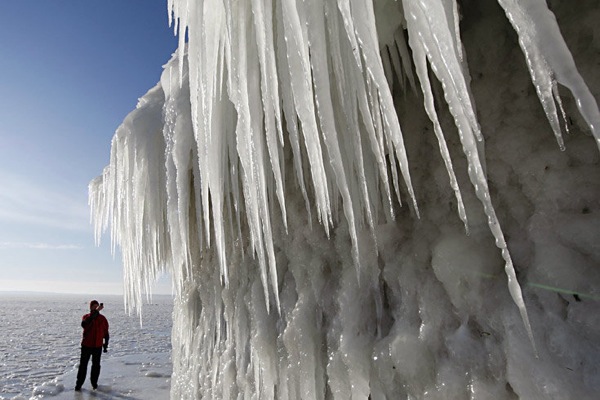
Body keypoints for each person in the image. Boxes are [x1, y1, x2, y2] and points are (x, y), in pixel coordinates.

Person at [75, 300, 110, 391]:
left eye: (97, 306)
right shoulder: (86, 317)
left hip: (97, 346)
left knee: (96, 366)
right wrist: (96, 312)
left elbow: (106, 333)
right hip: (86, 345)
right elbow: (85, 324)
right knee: (83, 366)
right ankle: (79, 385)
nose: (95, 308)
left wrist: (105, 344)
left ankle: (94, 384)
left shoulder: (103, 319)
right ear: (90, 308)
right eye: (94, 306)